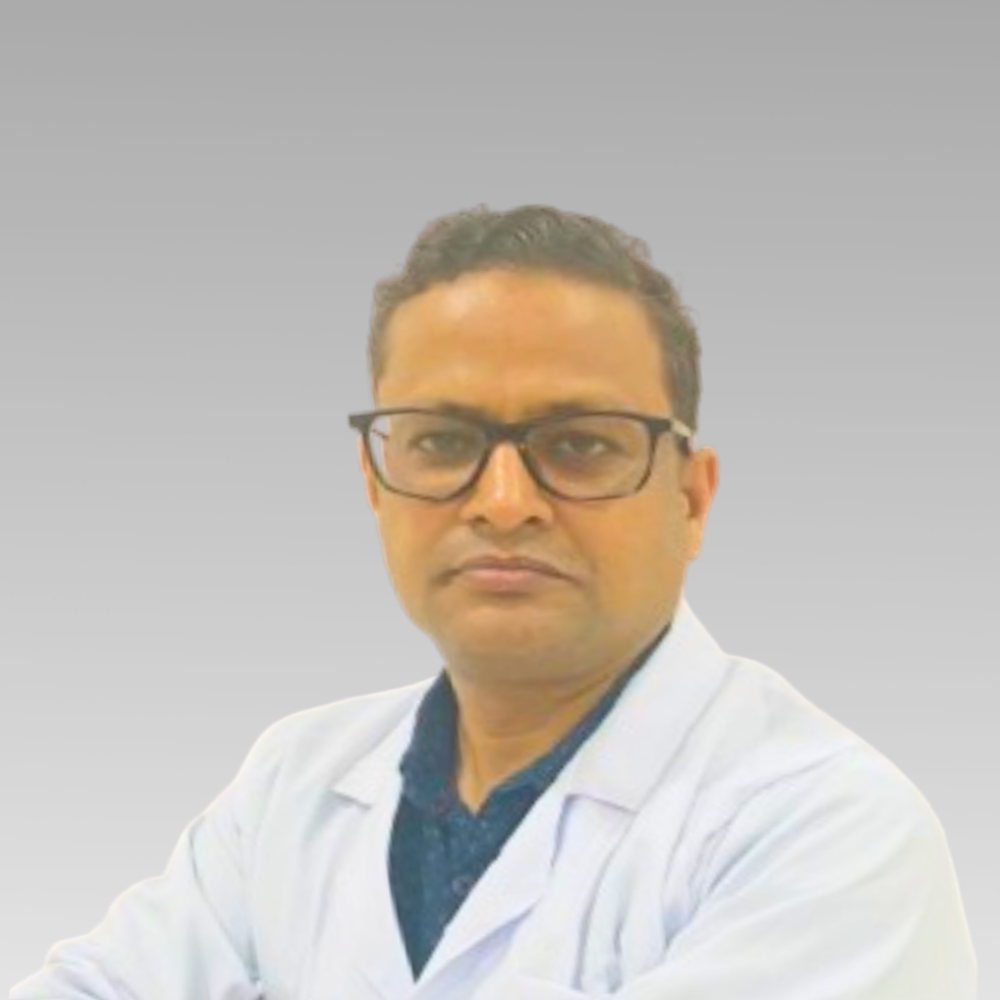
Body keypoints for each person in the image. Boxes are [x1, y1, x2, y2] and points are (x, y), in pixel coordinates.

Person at [11, 204, 977, 1000]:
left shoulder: (828, 831)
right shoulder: (295, 783)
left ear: (690, 497)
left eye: (580, 444)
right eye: (442, 442)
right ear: (375, 483)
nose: (504, 502)